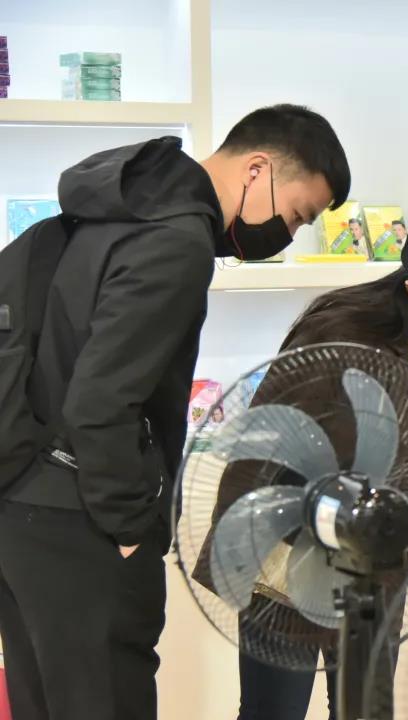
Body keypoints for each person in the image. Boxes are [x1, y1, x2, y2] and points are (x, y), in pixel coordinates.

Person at [0, 104, 350, 720]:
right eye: (297, 214)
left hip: (22, 504)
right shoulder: (176, 242)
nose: (290, 234)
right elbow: (100, 402)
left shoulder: (112, 207)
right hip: (82, 523)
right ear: (257, 169)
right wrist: (130, 527)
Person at [195, 214, 408, 720]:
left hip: (374, 567)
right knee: (273, 711)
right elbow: (265, 441)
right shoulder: (336, 336)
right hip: (287, 558)